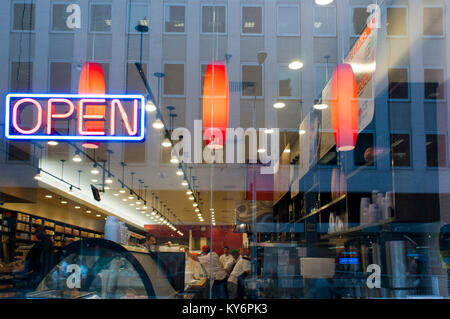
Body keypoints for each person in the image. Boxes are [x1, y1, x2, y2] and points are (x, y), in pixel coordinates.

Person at [25, 225, 54, 289]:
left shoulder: (42, 243)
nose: (35, 235)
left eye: (36, 233)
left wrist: (33, 269)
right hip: (43, 270)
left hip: (39, 272)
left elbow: (37, 257)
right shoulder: (48, 242)